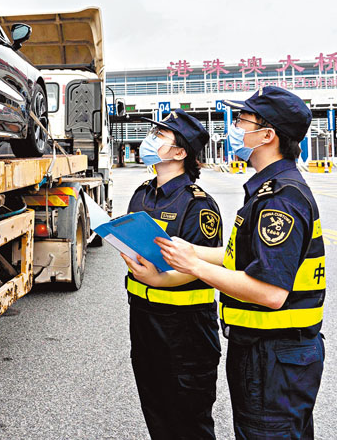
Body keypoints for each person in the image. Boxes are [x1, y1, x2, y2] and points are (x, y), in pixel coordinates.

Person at [157, 86, 325, 440]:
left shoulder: (281, 199)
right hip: (271, 351)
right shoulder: (270, 189)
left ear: (267, 135)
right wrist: (190, 250)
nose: (234, 127)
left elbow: (270, 292)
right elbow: (245, 258)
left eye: (242, 120)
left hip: (273, 355)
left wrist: (195, 267)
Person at [121, 109, 223, 440]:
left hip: (186, 330)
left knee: (189, 421)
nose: (149, 141)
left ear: (180, 153)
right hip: (144, 320)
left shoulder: (198, 205)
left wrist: (158, 279)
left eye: (160, 136)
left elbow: (201, 268)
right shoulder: (142, 193)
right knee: (157, 411)